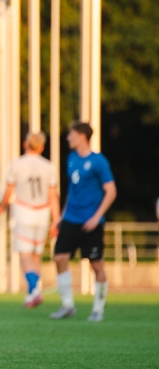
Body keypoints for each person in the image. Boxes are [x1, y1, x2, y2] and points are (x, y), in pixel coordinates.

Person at [50, 121, 116, 321]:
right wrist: (61, 217)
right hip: (70, 219)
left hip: (91, 222)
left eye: (71, 134)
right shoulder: (71, 158)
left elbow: (111, 191)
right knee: (59, 258)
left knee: (96, 265)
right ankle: (68, 305)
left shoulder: (99, 161)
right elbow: (72, 190)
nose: (68, 138)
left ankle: (98, 309)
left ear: (81, 136)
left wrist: (97, 217)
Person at [0, 132, 60, 308]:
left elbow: (9, 190)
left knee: (24, 255)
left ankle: (34, 289)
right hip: (43, 213)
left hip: (24, 211)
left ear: (25, 144)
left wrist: (1, 207)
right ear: (42, 147)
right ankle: (32, 294)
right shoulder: (49, 166)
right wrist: (56, 220)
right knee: (36, 255)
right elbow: (53, 196)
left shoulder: (17, 164)